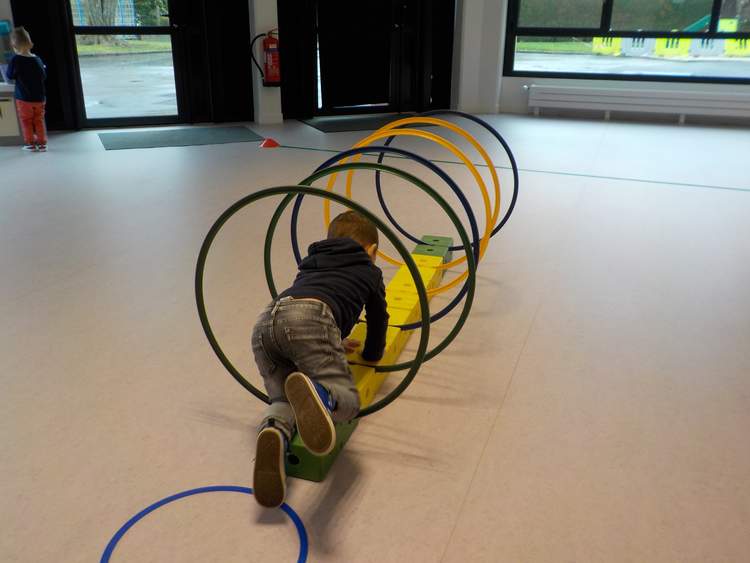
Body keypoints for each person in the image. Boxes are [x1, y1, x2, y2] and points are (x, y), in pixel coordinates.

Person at [252, 211, 389, 508]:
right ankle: (321, 392)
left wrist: (333, 338)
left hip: (267, 321)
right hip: (313, 319)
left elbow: (307, 302)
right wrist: (372, 355)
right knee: (347, 402)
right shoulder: (370, 271)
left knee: (283, 398)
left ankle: (274, 430)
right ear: (372, 251)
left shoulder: (312, 261)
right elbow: (378, 318)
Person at [6, 27, 47, 152]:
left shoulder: (15, 59)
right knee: (39, 120)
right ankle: (42, 144)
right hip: (39, 98)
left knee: (26, 121)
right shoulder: (37, 59)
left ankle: (30, 144)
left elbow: (9, 75)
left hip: (24, 99)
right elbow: (43, 76)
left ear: (14, 46)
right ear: (30, 43)